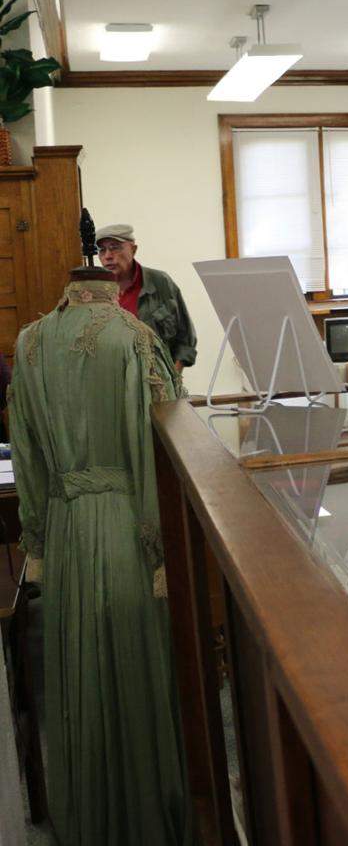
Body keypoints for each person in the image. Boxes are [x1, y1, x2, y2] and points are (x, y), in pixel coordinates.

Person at [10, 266, 194, 845]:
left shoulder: (29, 341)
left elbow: (25, 453)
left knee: (77, 670)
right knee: (135, 666)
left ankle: (90, 818)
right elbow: (162, 454)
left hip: (64, 528)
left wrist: (36, 538)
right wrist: (161, 543)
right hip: (124, 526)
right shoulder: (135, 338)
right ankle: (147, 819)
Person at [95, 223, 197, 373]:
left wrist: (173, 377)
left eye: (115, 247)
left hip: (157, 380)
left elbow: (185, 336)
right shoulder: (94, 291)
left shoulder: (160, 283)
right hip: (112, 381)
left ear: (133, 249)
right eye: (102, 250)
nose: (108, 256)